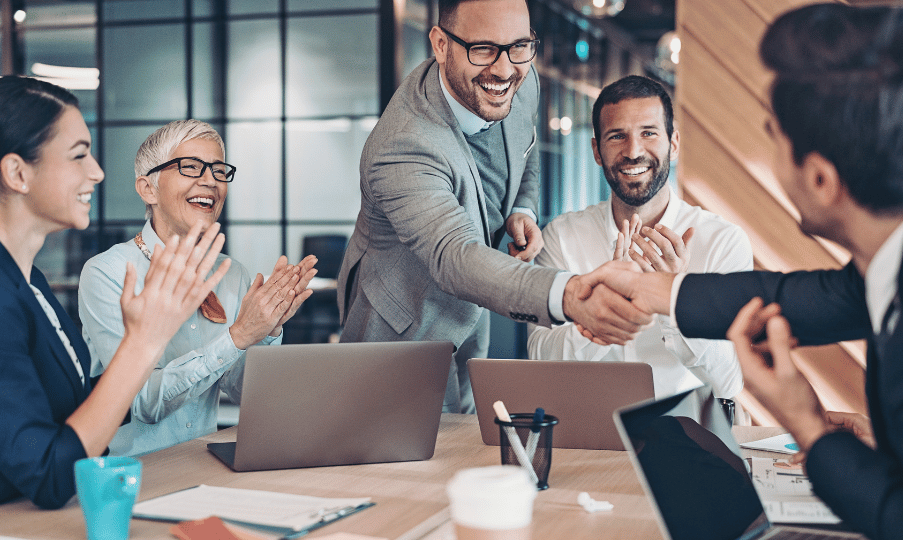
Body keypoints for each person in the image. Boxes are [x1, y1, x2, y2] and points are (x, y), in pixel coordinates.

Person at [598, 5, 903, 539]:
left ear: (821, 178)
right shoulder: (881, 271)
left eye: (773, 136)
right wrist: (646, 287)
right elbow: (794, 295)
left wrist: (805, 423)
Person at [337, 0, 651, 413]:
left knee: (462, 452)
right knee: (396, 470)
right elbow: (455, 256)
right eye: (483, 49)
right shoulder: (404, 144)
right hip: (398, 331)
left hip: (471, 313)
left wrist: (523, 208)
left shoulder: (521, 80)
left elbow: (527, 149)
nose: (504, 70)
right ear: (440, 44)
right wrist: (570, 294)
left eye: (518, 46)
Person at [0, 76, 230, 521]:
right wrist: (143, 342)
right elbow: (50, 475)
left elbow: (75, 408)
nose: (96, 171)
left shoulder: (25, 277)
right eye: (79, 155)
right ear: (18, 173)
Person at [79, 120, 317, 456]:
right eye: (190, 167)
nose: (210, 181)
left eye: (219, 171)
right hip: (133, 472)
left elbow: (243, 393)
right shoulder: (109, 273)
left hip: (205, 462)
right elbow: (144, 402)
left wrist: (268, 328)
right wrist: (238, 336)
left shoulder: (231, 272)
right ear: (148, 189)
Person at [528, 75, 750, 400]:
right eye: (617, 136)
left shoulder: (723, 242)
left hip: (684, 437)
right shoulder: (562, 237)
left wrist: (675, 298)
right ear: (597, 151)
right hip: (585, 436)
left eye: (648, 133)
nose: (633, 151)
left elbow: (728, 383)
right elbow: (542, 363)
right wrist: (603, 304)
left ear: (673, 144)